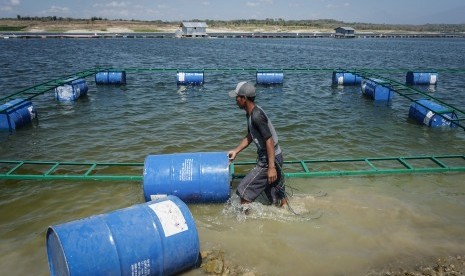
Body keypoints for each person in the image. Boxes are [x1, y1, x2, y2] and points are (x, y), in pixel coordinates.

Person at [227, 81, 286, 207]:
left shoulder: (256, 116)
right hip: (272, 156)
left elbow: (268, 140)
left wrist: (271, 168)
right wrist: (236, 151)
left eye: (237, 97)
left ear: (244, 99)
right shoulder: (250, 113)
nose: (235, 100)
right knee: (274, 195)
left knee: (243, 192)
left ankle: (245, 224)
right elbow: (251, 136)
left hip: (270, 159)